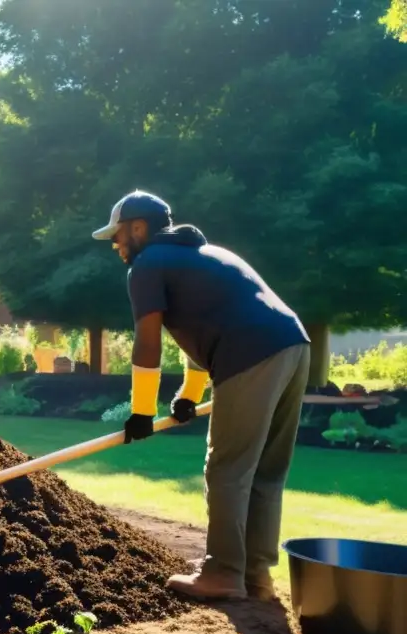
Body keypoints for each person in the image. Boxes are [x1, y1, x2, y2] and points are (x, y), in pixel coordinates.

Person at [92, 190, 310, 601]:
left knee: (227, 467)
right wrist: (188, 396)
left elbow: (148, 342)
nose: (117, 245)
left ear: (138, 227)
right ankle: (255, 576)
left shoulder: (147, 265)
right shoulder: (207, 257)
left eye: (119, 235)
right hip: (294, 346)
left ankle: (224, 573)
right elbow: (204, 336)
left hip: (250, 353)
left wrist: (141, 410)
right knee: (265, 469)